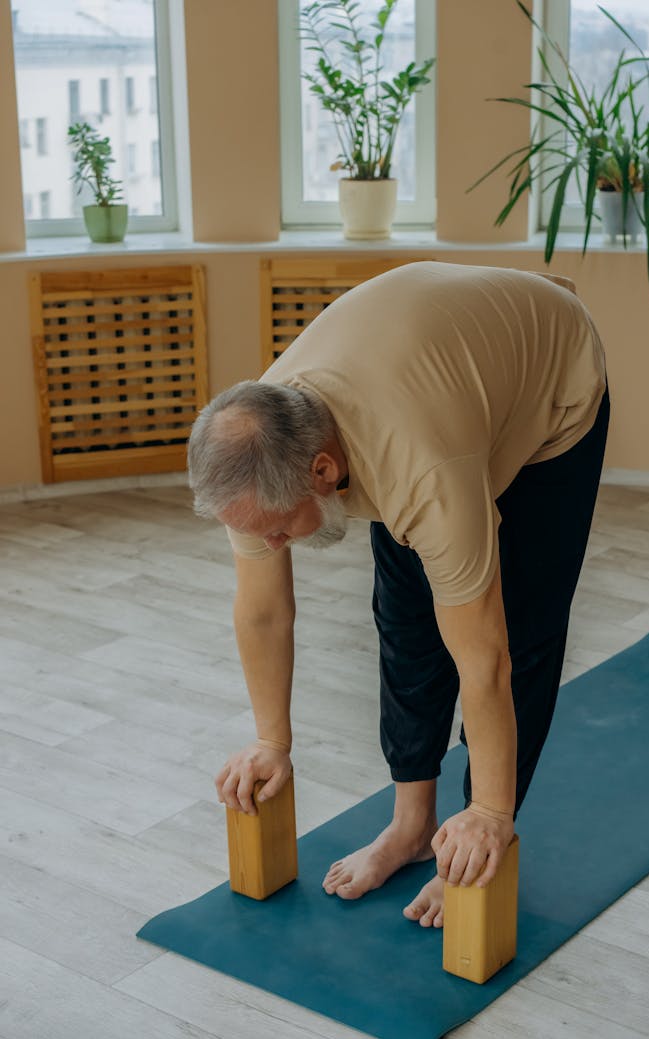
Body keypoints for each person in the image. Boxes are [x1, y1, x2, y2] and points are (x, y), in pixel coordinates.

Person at [187, 261, 609, 928]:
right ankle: (413, 828)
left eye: (275, 531)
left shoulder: (421, 472)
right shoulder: (258, 443)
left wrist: (491, 814)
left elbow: (486, 659)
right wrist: (272, 740)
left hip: (551, 387)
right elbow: (265, 613)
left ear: (323, 470)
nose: (270, 546)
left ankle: (471, 839)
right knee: (406, 621)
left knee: (519, 627)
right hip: (440, 386)